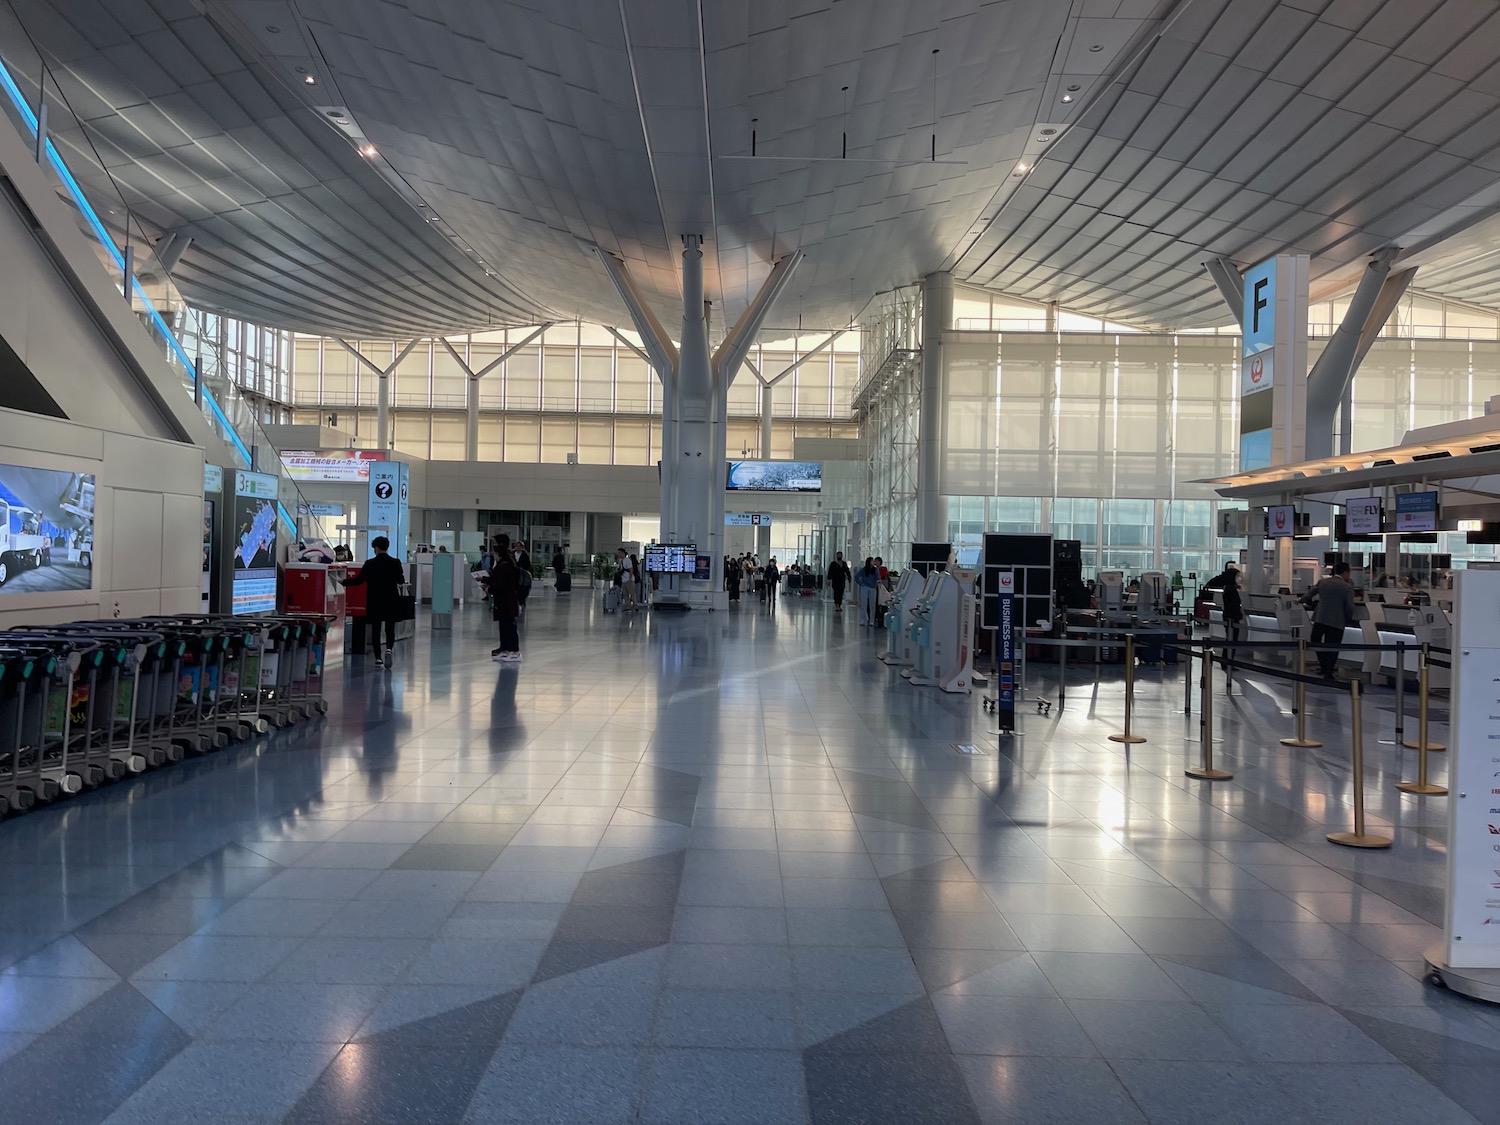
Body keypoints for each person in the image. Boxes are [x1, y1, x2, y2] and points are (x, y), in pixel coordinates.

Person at [340, 536, 405, 667]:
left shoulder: (370, 563)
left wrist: (343, 582)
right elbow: (401, 581)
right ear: (387, 547)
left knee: (376, 628)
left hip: (374, 600)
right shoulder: (395, 562)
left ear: (376, 548)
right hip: (391, 599)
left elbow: (359, 581)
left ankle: (378, 658)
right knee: (389, 627)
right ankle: (389, 649)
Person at [1308, 561, 1357, 679]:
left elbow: (1309, 594)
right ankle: (1328, 672)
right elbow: (1350, 606)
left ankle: (1324, 666)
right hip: (1337, 621)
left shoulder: (1323, 582)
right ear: (1345, 572)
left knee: (1316, 641)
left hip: (1320, 618)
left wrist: (1299, 601)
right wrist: (1348, 618)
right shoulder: (1347, 587)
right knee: (1333, 646)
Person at [483, 533, 522, 663]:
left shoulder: (505, 565)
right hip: (505, 601)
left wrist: (490, 588)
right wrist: (485, 579)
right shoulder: (505, 563)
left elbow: (501, 584)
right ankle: (505, 649)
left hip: (507, 600)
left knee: (509, 625)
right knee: (505, 625)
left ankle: (514, 651)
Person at [1221, 567, 1244, 676]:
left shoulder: (1228, 587)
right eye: (1237, 576)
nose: (1239, 578)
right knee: (1232, 639)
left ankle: (1225, 661)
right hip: (1232, 618)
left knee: (1229, 638)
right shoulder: (1231, 590)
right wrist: (1239, 617)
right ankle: (1228, 661)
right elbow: (1234, 606)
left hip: (1227, 616)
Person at [854, 557, 879, 625]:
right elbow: (856, 577)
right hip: (865, 588)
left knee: (872, 605)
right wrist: (861, 584)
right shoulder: (863, 570)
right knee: (863, 604)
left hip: (873, 588)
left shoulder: (875, 570)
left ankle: (871, 620)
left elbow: (878, 577)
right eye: (872, 561)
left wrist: (877, 583)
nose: (874, 562)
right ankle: (863, 619)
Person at [514, 540, 533, 614]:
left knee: (522, 588)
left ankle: (521, 600)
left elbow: (528, 566)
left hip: (522, 575)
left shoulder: (525, 556)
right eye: (517, 546)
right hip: (515, 574)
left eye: (519, 546)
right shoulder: (513, 554)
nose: (518, 548)